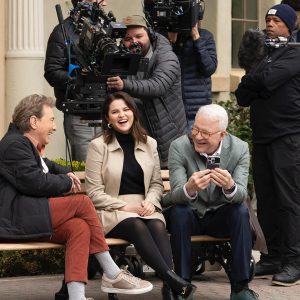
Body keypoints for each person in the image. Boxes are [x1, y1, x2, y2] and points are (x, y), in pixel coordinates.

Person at [0, 94, 153, 300]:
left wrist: (64, 173)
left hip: (28, 216)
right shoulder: (14, 145)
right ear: (33, 121)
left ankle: (76, 297)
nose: (54, 127)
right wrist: (67, 182)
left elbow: (46, 165)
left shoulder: (23, 144)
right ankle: (111, 271)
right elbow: (35, 182)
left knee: (78, 228)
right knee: (81, 202)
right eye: (51, 120)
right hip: (15, 218)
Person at [85, 91, 196, 300]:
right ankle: (173, 281)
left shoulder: (149, 143)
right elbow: (93, 193)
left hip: (144, 206)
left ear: (133, 113)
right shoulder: (98, 146)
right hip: (112, 210)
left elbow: (156, 183)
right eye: (115, 112)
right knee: (136, 224)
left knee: (156, 224)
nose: (122, 115)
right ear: (107, 119)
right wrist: (124, 207)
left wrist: (151, 202)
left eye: (126, 109)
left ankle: (170, 286)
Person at [162, 104, 259, 300]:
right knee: (179, 212)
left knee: (240, 211)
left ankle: (240, 288)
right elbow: (173, 195)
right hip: (189, 216)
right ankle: (182, 286)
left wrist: (230, 186)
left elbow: (240, 193)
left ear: (222, 135)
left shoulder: (239, 148)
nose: (197, 136)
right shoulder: (179, 146)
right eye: (195, 129)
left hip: (219, 217)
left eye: (205, 132)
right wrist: (189, 188)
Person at [235, 4, 300, 287]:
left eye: (276, 21)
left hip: (289, 136)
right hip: (262, 137)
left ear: (289, 26)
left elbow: (268, 80)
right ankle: (273, 256)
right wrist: (255, 77)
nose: (270, 24)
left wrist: (254, 77)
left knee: (289, 201)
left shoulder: (295, 53)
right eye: (268, 20)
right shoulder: (265, 55)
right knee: (268, 200)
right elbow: (242, 95)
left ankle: (294, 260)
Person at [106, 15, 187, 168]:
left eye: (139, 36)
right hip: (137, 134)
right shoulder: (125, 57)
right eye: (128, 38)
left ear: (149, 35)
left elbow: (157, 86)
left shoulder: (167, 57)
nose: (134, 42)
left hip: (166, 134)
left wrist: (123, 84)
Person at [44, 0, 107, 162]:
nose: (105, 3)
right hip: (79, 114)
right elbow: (52, 72)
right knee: (86, 169)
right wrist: (77, 77)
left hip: (107, 111)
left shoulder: (106, 27)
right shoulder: (62, 32)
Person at [168, 3, 218, 130]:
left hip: (197, 110)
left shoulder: (205, 36)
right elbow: (166, 69)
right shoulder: (169, 38)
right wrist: (171, 43)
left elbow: (209, 69)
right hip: (174, 109)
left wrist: (197, 39)